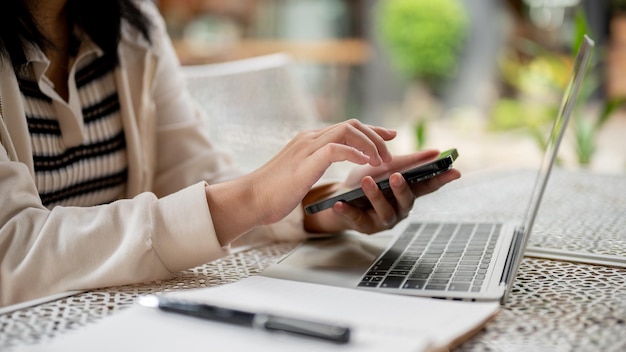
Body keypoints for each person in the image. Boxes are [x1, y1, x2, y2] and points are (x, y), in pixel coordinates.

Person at [0, 0, 460, 307]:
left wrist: (320, 208)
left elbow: (196, 180)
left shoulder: (132, 23)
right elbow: (10, 250)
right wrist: (253, 197)